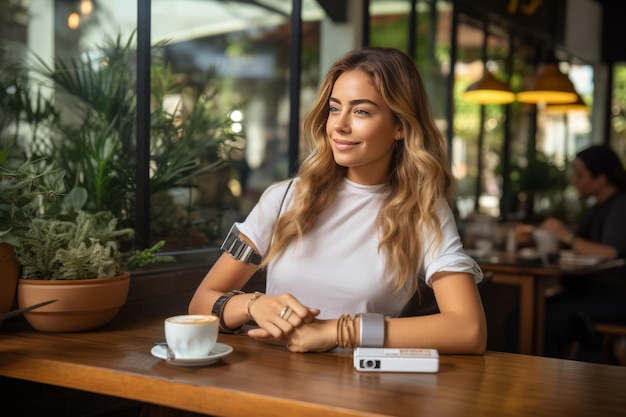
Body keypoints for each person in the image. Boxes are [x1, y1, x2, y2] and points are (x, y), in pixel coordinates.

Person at [188, 47, 487, 354]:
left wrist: (337, 331)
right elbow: (199, 305)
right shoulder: (283, 198)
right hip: (271, 384)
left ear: (400, 126)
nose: (339, 125)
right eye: (334, 108)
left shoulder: (422, 210)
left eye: (361, 111)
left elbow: (468, 329)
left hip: (357, 394)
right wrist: (253, 305)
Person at [507, 144, 626, 359]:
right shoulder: (597, 207)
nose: (574, 181)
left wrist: (566, 235)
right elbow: (578, 248)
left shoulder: (620, 206)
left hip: (615, 299)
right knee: (528, 314)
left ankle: (539, 381)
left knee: (531, 318)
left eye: (580, 175)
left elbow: (610, 252)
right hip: (593, 294)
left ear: (601, 178)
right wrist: (533, 241)